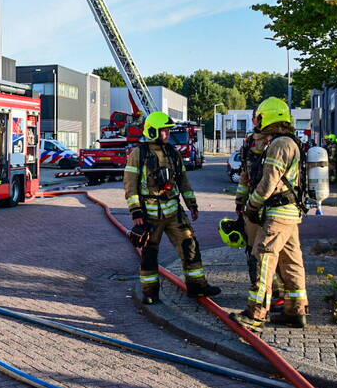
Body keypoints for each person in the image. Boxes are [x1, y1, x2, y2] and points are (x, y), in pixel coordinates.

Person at [124, 111, 220, 305]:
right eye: (164, 131)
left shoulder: (172, 152)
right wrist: (136, 211)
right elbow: (130, 184)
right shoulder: (138, 154)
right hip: (150, 215)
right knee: (149, 254)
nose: (167, 134)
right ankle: (150, 293)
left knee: (189, 246)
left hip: (174, 213)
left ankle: (197, 286)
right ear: (152, 131)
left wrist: (191, 204)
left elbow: (183, 180)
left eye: (168, 131)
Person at [232, 97, 309, 333]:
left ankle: (255, 314)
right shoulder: (286, 142)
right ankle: (295, 311)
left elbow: (269, 182)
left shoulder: (280, 144)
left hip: (277, 212)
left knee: (263, 255)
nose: (257, 122)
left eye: (260, 117)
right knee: (291, 261)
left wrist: (251, 207)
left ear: (269, 117)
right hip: (289, 212)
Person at [234, 116, 285, 313]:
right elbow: (245, 180)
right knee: (253, 252)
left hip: (271, 207)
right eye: (254, 140)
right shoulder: (249, 153)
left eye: (260, 140)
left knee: (271, 254)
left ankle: (277, 294)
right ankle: (260, 291)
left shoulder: (274, 150)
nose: (257, 144)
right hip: (253, 209)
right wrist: (240, 203)